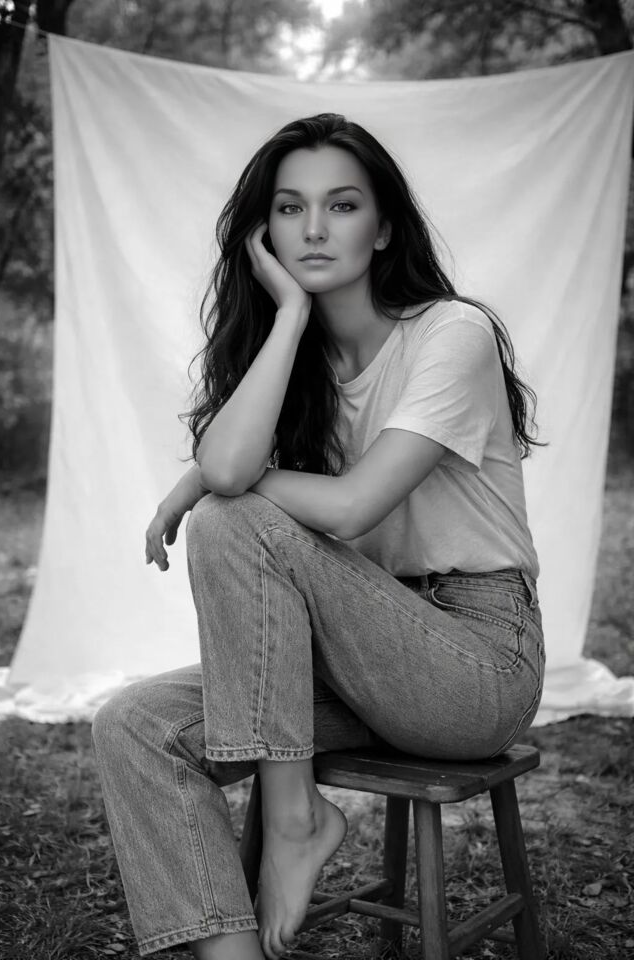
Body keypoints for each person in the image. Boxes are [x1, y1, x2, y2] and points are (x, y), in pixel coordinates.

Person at [92, 113, 545, 960]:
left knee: (231, 516)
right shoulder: (291, 365)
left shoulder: (451, 334)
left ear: (384, 229)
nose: (313, 229)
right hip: (356, 659)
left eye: (341, 205)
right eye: (290, 208)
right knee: (134, 724)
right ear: (265, 233)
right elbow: (233, 466)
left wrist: (204, 482)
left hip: (475, 665)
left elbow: (347, 508)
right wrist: (292, 315)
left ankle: (294, 819)